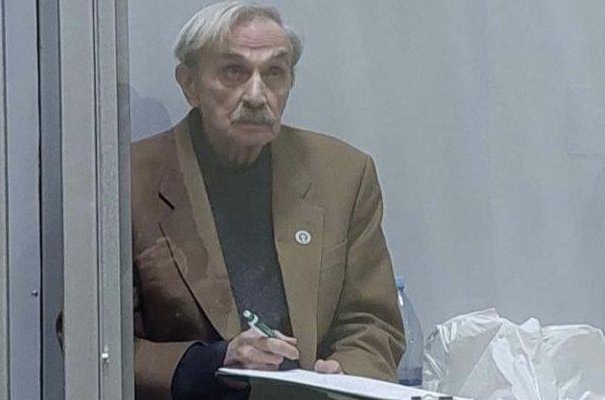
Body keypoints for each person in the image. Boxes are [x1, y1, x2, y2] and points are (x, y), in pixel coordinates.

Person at [131, 2, 404, 399]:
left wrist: (345, 373)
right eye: (233, 72)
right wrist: (210, 364)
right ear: (189, 84)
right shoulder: (129, 180)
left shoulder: (343, 175)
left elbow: (373, 323)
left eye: (274, 73)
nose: (257, 96)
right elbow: (93, 340)